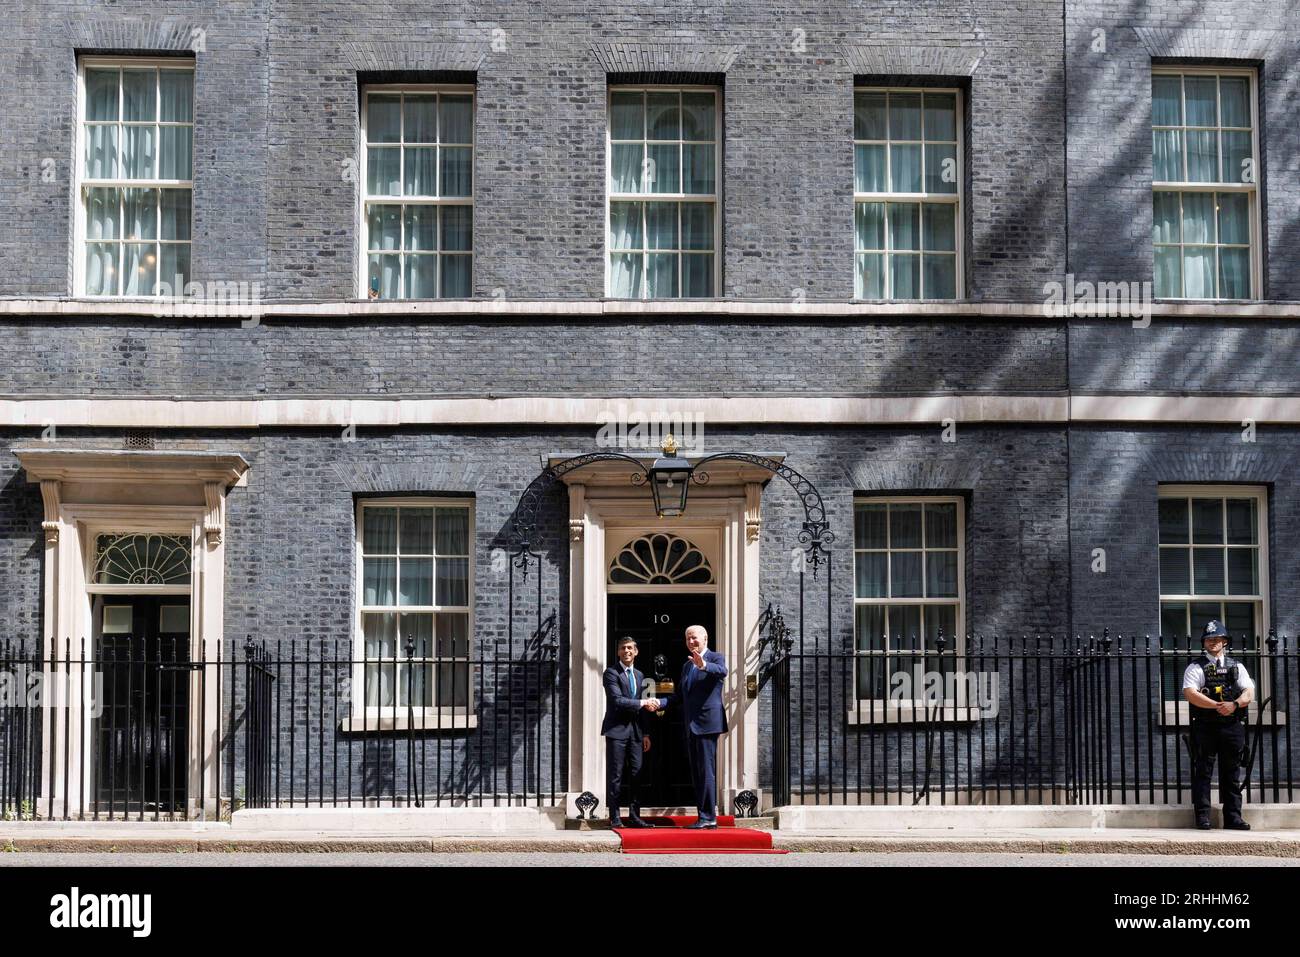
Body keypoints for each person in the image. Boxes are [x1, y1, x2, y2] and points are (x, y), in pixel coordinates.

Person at [649, 624, 727, 829]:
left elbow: (722, 672)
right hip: (691, 725)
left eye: (694, 638)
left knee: (706, 770)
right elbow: (680, 696)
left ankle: (709, 817)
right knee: (697, 772)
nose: (691, 642)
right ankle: (704, 816)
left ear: (705, 638)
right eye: (688, 639)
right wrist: (661, 702)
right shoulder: (686, 666)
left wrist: (703, 665)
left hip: (708, 723)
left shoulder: (715, 658)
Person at [1182, 619, 1255, 831]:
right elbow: (1190, 693)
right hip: (1205, 726)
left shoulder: (1236, 666)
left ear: (1225, 641)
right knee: (1203, 772)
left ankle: (1233, 818)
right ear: (1204, 643)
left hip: (1232, 726)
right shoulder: (1195, 667)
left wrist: (1234, 704)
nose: (1213, 642)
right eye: (1209, 639)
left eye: (1217, 639)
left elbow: (1249, 692)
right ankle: (1203, 818)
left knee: (1231, 773)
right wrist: (1216, 706)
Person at [601, 637, 654, 828]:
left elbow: (643, 709)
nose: (626, 651)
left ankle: (634, 816)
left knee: (636, 774)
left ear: (636, 651)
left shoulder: (640, 675)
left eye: (630, 648)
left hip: (637, 733)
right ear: (618, 652)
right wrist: (643, 703)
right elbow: (617, 700)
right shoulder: (611, 673)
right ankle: (614, 816)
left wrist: (646, 733)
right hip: (616, 731)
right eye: (623, 648)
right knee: (616, 775)